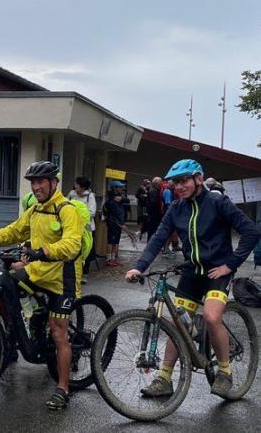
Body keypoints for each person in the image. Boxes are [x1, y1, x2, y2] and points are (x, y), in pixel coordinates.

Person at [125, 159, 260, 399]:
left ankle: (225, 372)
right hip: (191, 273)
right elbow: (157, 239)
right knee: (179, 323)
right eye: (175, 182)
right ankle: (164, 379)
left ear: (198, 179)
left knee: (210, 316)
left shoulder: (218, 202)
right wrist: (138, 267)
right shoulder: (176, 208)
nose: (179, 186)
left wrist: (230, 264)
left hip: (218, 273)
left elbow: (251, 231)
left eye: (184, 180)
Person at [0, 160, 85, 410]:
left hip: (61, 279)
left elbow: (72, 245)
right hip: (37, 272)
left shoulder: (66, 210)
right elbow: (16, 230)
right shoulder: (36, 210)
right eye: (33, 183)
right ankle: (12, 339)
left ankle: (62, 388)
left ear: (53, 183)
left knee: (58, 331)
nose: (36, 187)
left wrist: (42, 251)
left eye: (40, 182)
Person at [68, 176, 97, 281]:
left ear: (82, 186)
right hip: (72, 227)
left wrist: (78, 213)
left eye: (77, 184)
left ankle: (84, 274)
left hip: (86, 228)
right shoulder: (72, 195)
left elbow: (92, 212)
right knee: (74, 250)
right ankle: (73, 272)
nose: (75, 186)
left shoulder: (90, 196)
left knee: (86, 251)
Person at [102, 190, 125, 267]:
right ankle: (109, 259)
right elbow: (116, 214)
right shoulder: (111, 204)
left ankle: (113, 259)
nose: (120, 197)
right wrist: (121, 223)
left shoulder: (118, 203)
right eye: (118, 196)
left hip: (117, 224)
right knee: (111, 241)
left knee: (115, 242)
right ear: (114, 197)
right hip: (113, 224)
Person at [145, 177, 163, 241]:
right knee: (152, 231)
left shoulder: (155, 190)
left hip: (154, 215)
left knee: (153, 231)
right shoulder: (153, 190)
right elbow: (153, 203)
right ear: (157, 183)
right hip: (153, 215)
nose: (162, 184)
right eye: (161, 182)